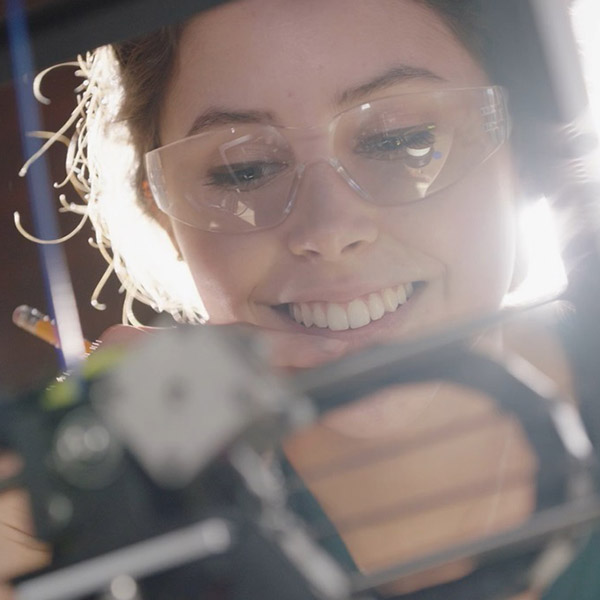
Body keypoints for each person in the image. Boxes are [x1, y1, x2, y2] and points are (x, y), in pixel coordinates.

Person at [0, 0, 585, 598]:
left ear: (519, 145)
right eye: (244, 170)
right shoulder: (120, 523)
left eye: (400, 140)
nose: (329, 231)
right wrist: (41, 522)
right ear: (163, 211)